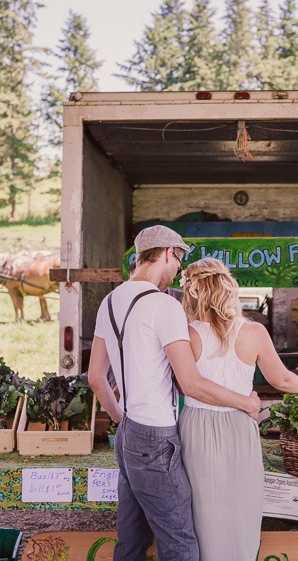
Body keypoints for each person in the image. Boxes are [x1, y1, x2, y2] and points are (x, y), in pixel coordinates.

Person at [88, 226, 261, 561]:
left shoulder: (110, 301)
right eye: (179, 261)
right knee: (180, 543)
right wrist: (246, 402)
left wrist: (123, 420)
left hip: (128, 434)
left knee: (132, 539)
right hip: (155, 437)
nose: (178, 271)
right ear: (167, 253)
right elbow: (191, 383)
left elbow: (96, 378)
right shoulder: (163, 306)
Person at [178, 257, 298, 561]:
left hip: (196, 426)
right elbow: (283, 380)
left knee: (203, 508)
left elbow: (184, 383)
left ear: (192, 291)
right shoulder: (254, 332)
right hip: (239, 423)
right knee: (242, 506)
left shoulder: (186, 333)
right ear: (228, 287)